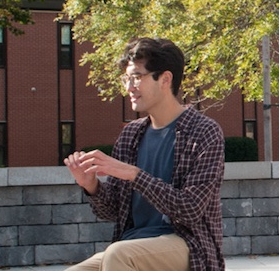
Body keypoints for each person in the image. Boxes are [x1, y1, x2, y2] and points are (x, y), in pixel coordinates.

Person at [62, 37, 225, 271]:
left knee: (118, 254)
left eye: (137, 77)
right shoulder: (131, 135)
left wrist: (134, 174)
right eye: (126, 79)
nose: (129, 87)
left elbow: (190, 209)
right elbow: (112, 211)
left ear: (165, 79)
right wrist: (92, 186)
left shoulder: (203, 131)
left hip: (188, 245)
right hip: (132, 243)